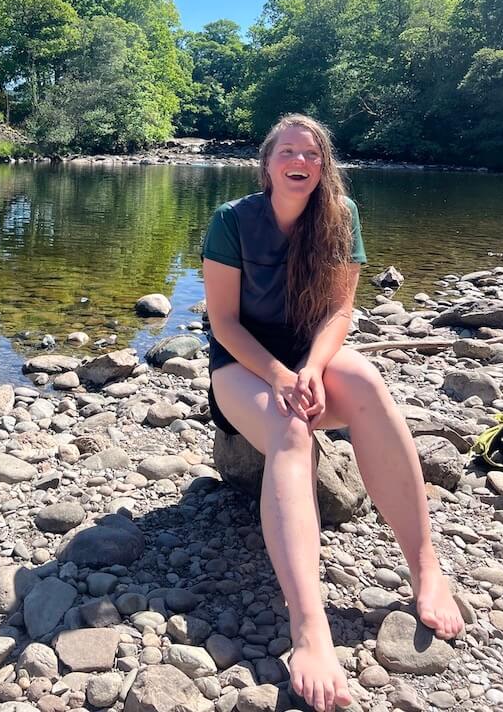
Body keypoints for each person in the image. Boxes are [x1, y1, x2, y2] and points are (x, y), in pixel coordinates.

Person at [202, 113, 463, 712]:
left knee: (368, 381)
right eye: (288, 151)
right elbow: (223, 323)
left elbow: (339, 315)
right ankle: (309, 626)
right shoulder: (231, 222)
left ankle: (426, 568)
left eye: (312, 154)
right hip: (242, 369)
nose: (301, 161)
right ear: (267, 164)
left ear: (323, 167)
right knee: (291, 430)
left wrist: (314, 369)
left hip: (308, 360)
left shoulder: (339, 219)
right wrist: (281, 377)